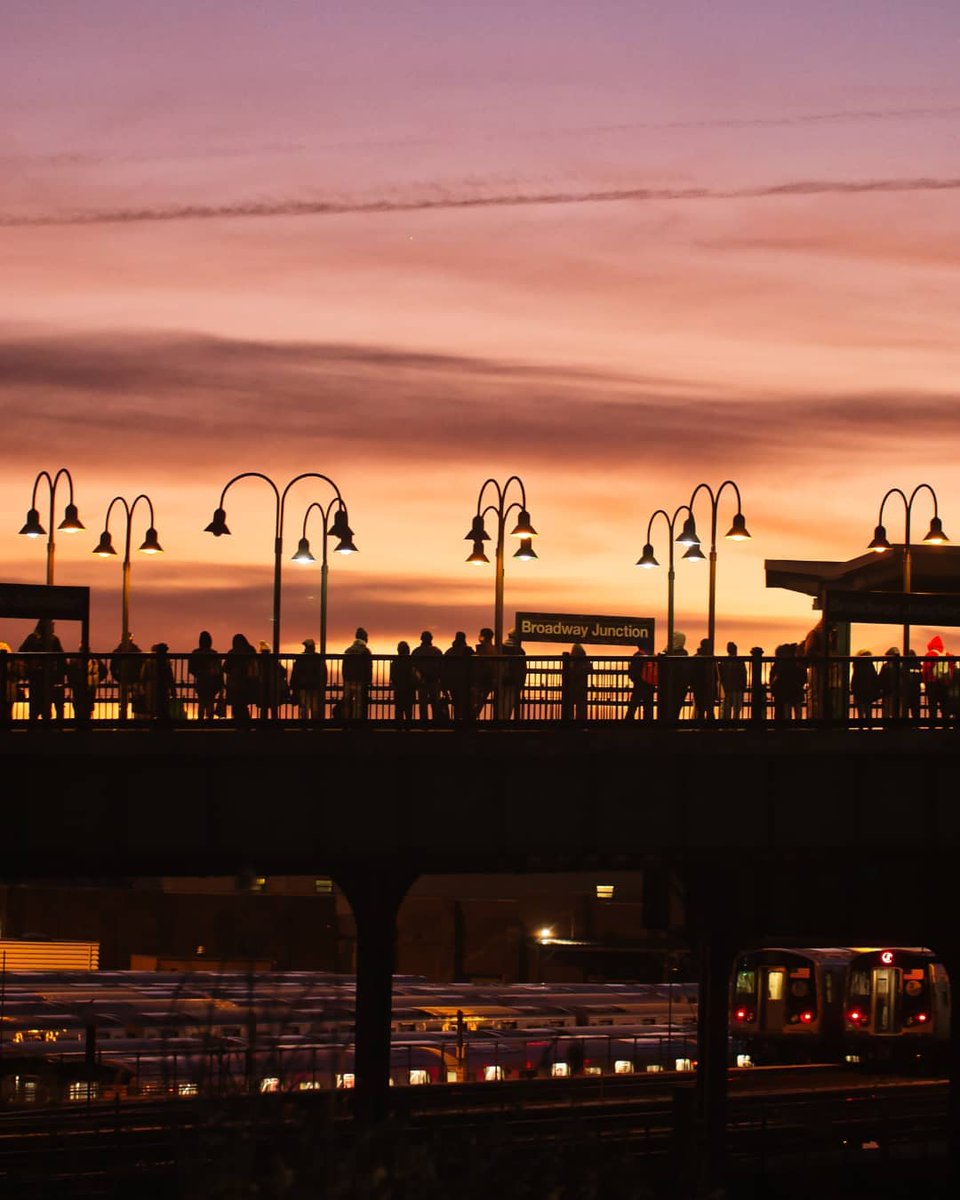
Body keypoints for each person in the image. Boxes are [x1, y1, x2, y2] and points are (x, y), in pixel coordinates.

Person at [18, 619, 66, 721]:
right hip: (48, 677)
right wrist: (59, 674)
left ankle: (33, 728)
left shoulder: (32, 638)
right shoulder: (53, 640)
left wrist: (29, 666)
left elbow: (21, 652)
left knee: (35, 705)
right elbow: (62, 659)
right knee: (46, 705)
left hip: (35, 676)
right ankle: (46, 728)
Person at [411, 631, 445, 724]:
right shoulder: (437, 651)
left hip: (421, 682)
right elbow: (441, 667)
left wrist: (417, 680)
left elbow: (413, 668)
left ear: (421, 639)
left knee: (422, 704)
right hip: (434, 681)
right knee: (435, 704)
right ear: (431, 639)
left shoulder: (416, 651)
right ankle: (436, 723)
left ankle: (423, 723)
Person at [188, 631, 222, 721]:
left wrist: (198, 673)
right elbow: (218, 669)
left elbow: (191, 668)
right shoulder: (214, 654)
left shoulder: (195, 653)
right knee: (210, 701)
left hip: (201, 680)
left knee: (201, 702)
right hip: (212, 681)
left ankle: (200, 720)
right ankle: (210, 721)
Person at [224, 633, 258, 724]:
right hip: (248, 683)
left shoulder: (232, 652)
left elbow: (226, 668)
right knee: (243, 705)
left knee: (236, 706)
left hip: (235, 684)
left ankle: (239, 724)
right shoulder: (250, 650)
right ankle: (246, 724)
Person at [290, 638, 326, 722]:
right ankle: (315, 724)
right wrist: (322, 684)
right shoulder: (318, 658)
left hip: (303, 685)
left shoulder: (300, 658)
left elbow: (295, 673)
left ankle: (304, 724)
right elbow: (323, 673)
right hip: (315, 686)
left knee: (304, 705)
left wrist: (293, 684)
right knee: (315, 706)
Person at [109, 632, 144, 718]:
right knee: (138, 701)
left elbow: (112, 668)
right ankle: (137, 720)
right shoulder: (137, 651)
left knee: (123, 703)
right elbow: (141, 665)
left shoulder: (117, 651)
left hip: (124, 679)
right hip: (135, 680)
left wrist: (118, 678)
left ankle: (123, 720)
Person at [342, 626, 373, 721]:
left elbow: (344, 667)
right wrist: (368, 680)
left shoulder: (348, 650)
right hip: (360, 680)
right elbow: (368, 667)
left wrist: (345, 678)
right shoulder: (366, 651)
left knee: (347, 702)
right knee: (358, 703)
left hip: (348, 680)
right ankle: (357, 722)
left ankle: (346, 721)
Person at [659, 631, 691, 721]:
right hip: (680, 686)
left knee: (665, 708)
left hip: (667, 686)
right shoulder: (683, 654)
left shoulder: (665, 653)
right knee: (676, 708)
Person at [67, 649, 106, 722]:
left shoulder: (74, 659)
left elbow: (69, 673)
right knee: (88, 707)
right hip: (90, 687)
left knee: (78, 706)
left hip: (77, 687)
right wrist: (95, 680)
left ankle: (78, 724)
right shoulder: (94, 659)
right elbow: (104, 671)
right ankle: (87, 723)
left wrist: (73, 682)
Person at [922, 634, 953, 725]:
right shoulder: (947, 654)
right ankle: (946, 725)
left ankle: (932, 725)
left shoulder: (930, 654)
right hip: (944, 683)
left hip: (932, 683)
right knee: (944, 705)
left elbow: (925, 670)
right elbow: (951, 669)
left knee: (932, 705)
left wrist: (925, 681)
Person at [443, 631, 474, 722]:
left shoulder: (449, 651)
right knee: (465, 703)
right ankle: (465, 722)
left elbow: (444, 668)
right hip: (465, 681)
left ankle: (457, 721)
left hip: (453, 682)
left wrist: (444, 684)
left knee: (456, 703)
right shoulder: (468, 650)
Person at [141, 643, 176, 720]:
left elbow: (143, 676)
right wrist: (173, 690)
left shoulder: (148, 661)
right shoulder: (166, 662)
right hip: (163, 687)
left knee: (152, 707)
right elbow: (170, 677)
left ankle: (153, 722)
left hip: (150, 686)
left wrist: (143, 687)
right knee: (163, 706)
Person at [498, 629, 527, 720]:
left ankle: (500, 720)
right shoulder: (519, 650)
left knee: (501, 701)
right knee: (509, 703)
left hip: (502, 679)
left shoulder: (501, 647)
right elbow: (522, 668)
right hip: (514, 680)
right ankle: (505, 720)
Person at [257, 640, 289, 721]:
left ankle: (263, 723)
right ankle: (274, 722)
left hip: (262, 686)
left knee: (264, 707)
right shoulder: (274, 661)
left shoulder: (258, 661)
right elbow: (283, 672)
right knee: (273, 706)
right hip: (273, 686)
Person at [624, 643, 656, 722]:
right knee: (648, 705)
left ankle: (628, 722)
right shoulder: (653, 655)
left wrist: (633, 679)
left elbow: (633, 670)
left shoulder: (638, 655)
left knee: (633, 704)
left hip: (640, 684)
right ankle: (648, 723)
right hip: (650, 683)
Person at [717, 642, 747, 722]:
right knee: (736, 710)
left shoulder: (723, 661)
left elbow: (720, 675)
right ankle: (735, 725)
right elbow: (743, 674)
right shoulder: (740, 661)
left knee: (726, 710)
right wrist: (743, 686)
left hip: (726, 688)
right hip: (737, 688)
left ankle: (726, 726)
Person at [850, 650, 880, 729]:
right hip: (868, 690)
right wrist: (877, 688)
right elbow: (874, 677)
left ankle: (861, 726)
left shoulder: (857, 665)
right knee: (868, 709)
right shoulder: (870, 665)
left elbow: (854, 678)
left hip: (859, 691)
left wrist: (853, 689)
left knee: (861, 710)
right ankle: (869, 726)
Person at [562, 642, 590, 722]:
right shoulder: (584, 661)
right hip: (581, 688)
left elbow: (568, 672)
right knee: (581, 708)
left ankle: (569, 722)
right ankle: (580, 722)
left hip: (571, 688)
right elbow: (590, 669)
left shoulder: (570, 661)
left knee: (569, 706)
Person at [390, 641, 415, 728]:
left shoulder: (394, 662)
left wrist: (395, 686)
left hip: (398, 689)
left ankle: (398, 729)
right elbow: (413, 676)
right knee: (408, 711)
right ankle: (408, 729)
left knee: (399, 711)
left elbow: (392, 677)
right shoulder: (411, 661)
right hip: (409, 689)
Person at [690, 638, 716, 723]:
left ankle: (700, 724)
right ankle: (710, 725)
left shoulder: (696, 657)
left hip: (698, 686)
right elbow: (715, 672)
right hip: (707, 685)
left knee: (700, 707)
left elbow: (692, 672)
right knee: (709, 708)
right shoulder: (711, 658)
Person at [877, 647, 902, 721]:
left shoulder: (885, 666)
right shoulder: (901, 665)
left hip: (887, 691)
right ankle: (896, 723)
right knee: (896, 709)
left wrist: (880, 688)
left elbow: (881, 679)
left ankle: (886, 724)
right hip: (898, 691)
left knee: (887, 710)